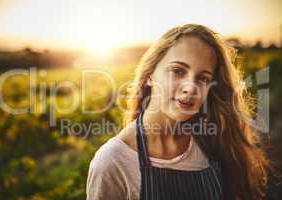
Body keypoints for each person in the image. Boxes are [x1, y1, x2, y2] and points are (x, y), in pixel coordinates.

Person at [86, 24, 272, 200]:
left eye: (202, 78)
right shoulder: (113, 162)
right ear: (150, 74)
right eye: (177, 71)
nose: (190, 87)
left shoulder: (214, 141)